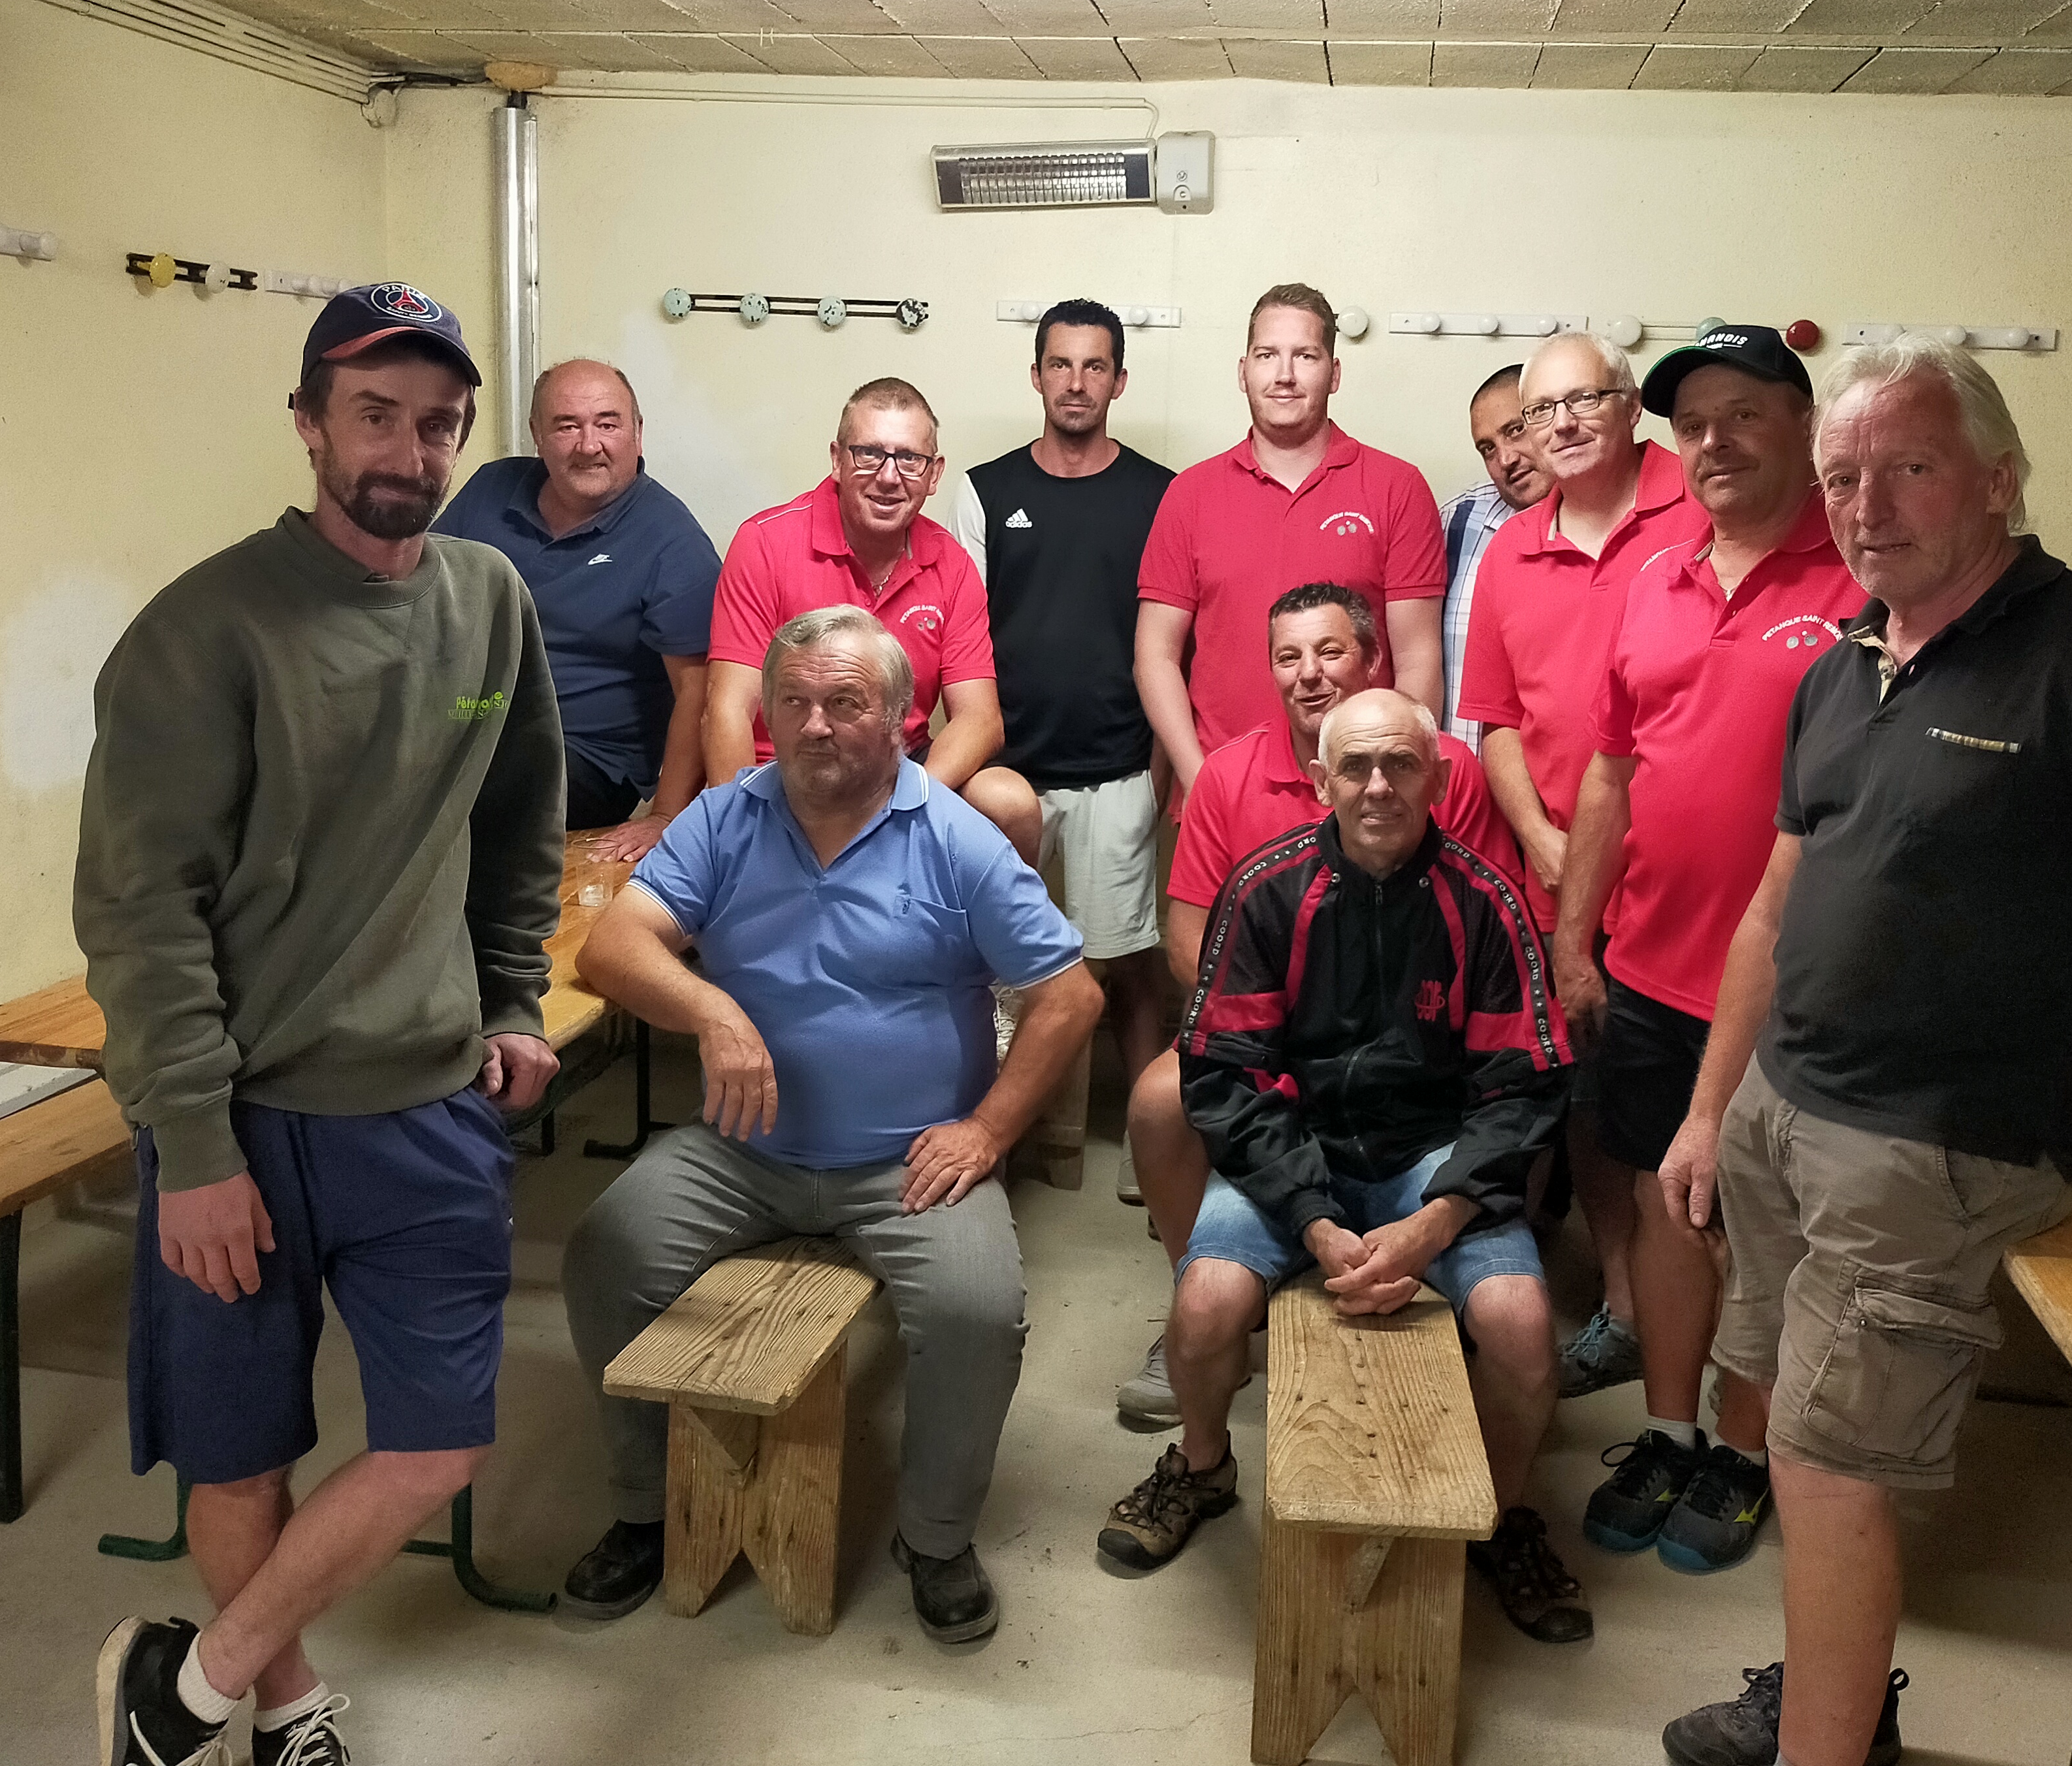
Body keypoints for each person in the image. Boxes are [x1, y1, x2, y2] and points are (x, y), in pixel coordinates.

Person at [1655, 338, 2072, 1766]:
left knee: (1826, 1472)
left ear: (1997, 480)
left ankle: (1826, 1750)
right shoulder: (1843, 666)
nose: (1865, 506)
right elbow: (1773, 906)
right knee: (1782, 1430)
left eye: (1907, 468)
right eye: (1841, 479)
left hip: (1926, 1147)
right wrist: (1709, 1110)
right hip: (1780, 1105)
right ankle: (1829, 1691)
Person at [78, 282, 566, 1766]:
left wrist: (508, 996)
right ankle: (283, 1710)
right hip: (248, 1121)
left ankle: (190, 1684)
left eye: (437, 421)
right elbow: (141, 912)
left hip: (425, 1108)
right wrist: (196, 1143)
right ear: (308, 422)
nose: (407, 446)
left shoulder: (488, 599)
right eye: (373, 412)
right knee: (243, 1449)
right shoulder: (206, 628)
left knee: (437, 1440)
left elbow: (516, 823)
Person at [558, 607, 1103, 1642]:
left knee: (979, 1314)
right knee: (604, 1254)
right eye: (793, 702)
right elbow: (613, 950)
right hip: (742, 1150)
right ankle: (642, 1511)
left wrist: (986, 1133)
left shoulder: (953, 837)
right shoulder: (726, 818)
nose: (814, 726)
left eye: (846, 703)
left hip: (909, 1161)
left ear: (901, 717)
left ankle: (935, 1537)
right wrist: (714, 1011)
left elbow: (1071, 996)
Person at [1096, 691, 1589, 1643]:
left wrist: (1435, 1220)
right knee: (1203, 1310)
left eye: (1400, 766)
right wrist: (1316, 1220)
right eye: (1354, 767)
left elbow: (1525, 1087)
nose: (1377, 787)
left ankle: (1498, 1514)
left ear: (1439, 778)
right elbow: (1224, 1080)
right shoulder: (1266, 891)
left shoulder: (1487, 903)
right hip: (1297, 1147)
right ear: (1319, 781)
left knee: (1524, 1327)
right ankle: (1201, 1470)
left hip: (1431, 1163)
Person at [1543, 327, 1864, 1579]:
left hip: (1805, 993)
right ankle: (1671, 1432)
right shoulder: (1656, 580)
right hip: (1656, 971)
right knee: (1671, 1212)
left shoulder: (1864, 590)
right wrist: (1579, 939)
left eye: (1744, 415)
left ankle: (1744, 1452)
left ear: (1802, 425)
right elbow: (1609, 776)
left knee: (1767, 1234)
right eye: (1696, 424)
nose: (1715, 442)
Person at [1114, 583, 1517, 1424]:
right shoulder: (1228, 773)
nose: (1309, 675)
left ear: (1369, 658)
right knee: (1160, 1096)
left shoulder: (1444, 764)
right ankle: (1202, 1287)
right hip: (1264, 1030)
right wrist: (1276, 1035)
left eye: (1329, 652)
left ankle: (1475, 1282)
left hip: (1413, 1034)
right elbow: (1189, 938)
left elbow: (1477, 921)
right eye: (1288, 657)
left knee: (1502, 1089)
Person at [1456, 329, 1707, 1401]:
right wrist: (1552, 844)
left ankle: (1700, 1343)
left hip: (1690, 890)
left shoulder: (1702, 508)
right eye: (1537, 410)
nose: (1557, 426)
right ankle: (1619, 1301)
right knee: (1589, 1101)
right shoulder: (1512, 547)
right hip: (1551, 879)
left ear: (1629, 405)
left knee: (1688, 1122)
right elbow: (1497, 719)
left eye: (1581, 402)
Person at [956, 300, 1176, 1103]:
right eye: (1060, 364)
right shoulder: (985, 493)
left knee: (1126, 958)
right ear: (1037, 376)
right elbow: (962, 646)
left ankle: (1151, 1128)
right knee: (992, 960)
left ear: (1119, 381)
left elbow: (1173, 648)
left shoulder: (1162, 495)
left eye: (1093, 367)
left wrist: (1159, 777)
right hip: (1006, 778)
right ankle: (985, 1109)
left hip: (1118, 773)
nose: (1075, 383)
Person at [705, 376, 1041, 862]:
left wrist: (902, 801)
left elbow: (981, 719)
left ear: (934, 473)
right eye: (869, 454)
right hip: (788, 770)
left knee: (1009, 801)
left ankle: (978, 938)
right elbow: (727, 708)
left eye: (910, 459)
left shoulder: (951, 563)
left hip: (899, 769)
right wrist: (736, 834)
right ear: (838, 459)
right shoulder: (765, 543)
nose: (889, 476)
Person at [1136, 283, 1447, 803]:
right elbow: (1155, 655)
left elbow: (1418, 656)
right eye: (1267, 356)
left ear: (1334, 373)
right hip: (1225, 789)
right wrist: (1203, 779)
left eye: (1305, 356)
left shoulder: (1398, 487)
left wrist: (1388, 780)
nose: (1284, 375)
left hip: (1361, 798)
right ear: (1243, 371)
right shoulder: (1189, 494)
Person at [435, 357, 720, 862]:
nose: (590, 446)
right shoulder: (491, 488)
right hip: (475, 714)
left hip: (584, 756)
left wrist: (666, 816)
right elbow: (423, 590)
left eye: (607, 424)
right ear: (537, 436)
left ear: (637, 433)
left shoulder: (673, 542)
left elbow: (698, 694)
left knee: (458, 790)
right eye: (567, 426)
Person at [1440, 362, 1551, 747]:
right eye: (1487, 448)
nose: (1505, 460)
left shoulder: (1615, 524)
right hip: (1459, 785)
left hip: (1563, 789)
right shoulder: (1457, 521)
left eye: (1515, 431)